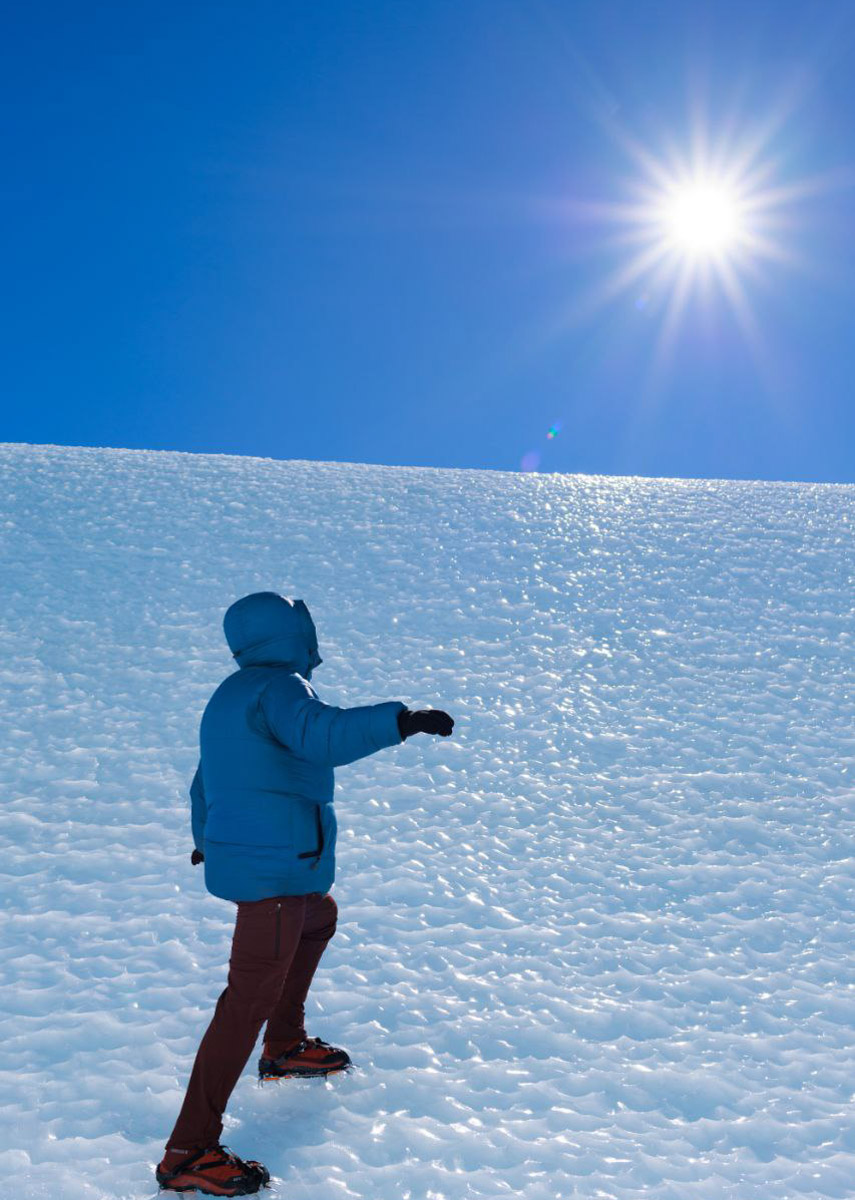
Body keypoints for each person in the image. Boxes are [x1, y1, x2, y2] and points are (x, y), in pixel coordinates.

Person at [155, 592, 454, 1196]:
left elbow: (204, 780)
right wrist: (400, 721)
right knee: (246, 998)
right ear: (289, 633)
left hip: (274, 864)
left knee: (319, 918)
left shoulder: (229, 695)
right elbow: (322, 735)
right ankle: (188, 1150)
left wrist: (206, 839)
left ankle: (285, 1041)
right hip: (274, 873)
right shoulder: (280, 688)